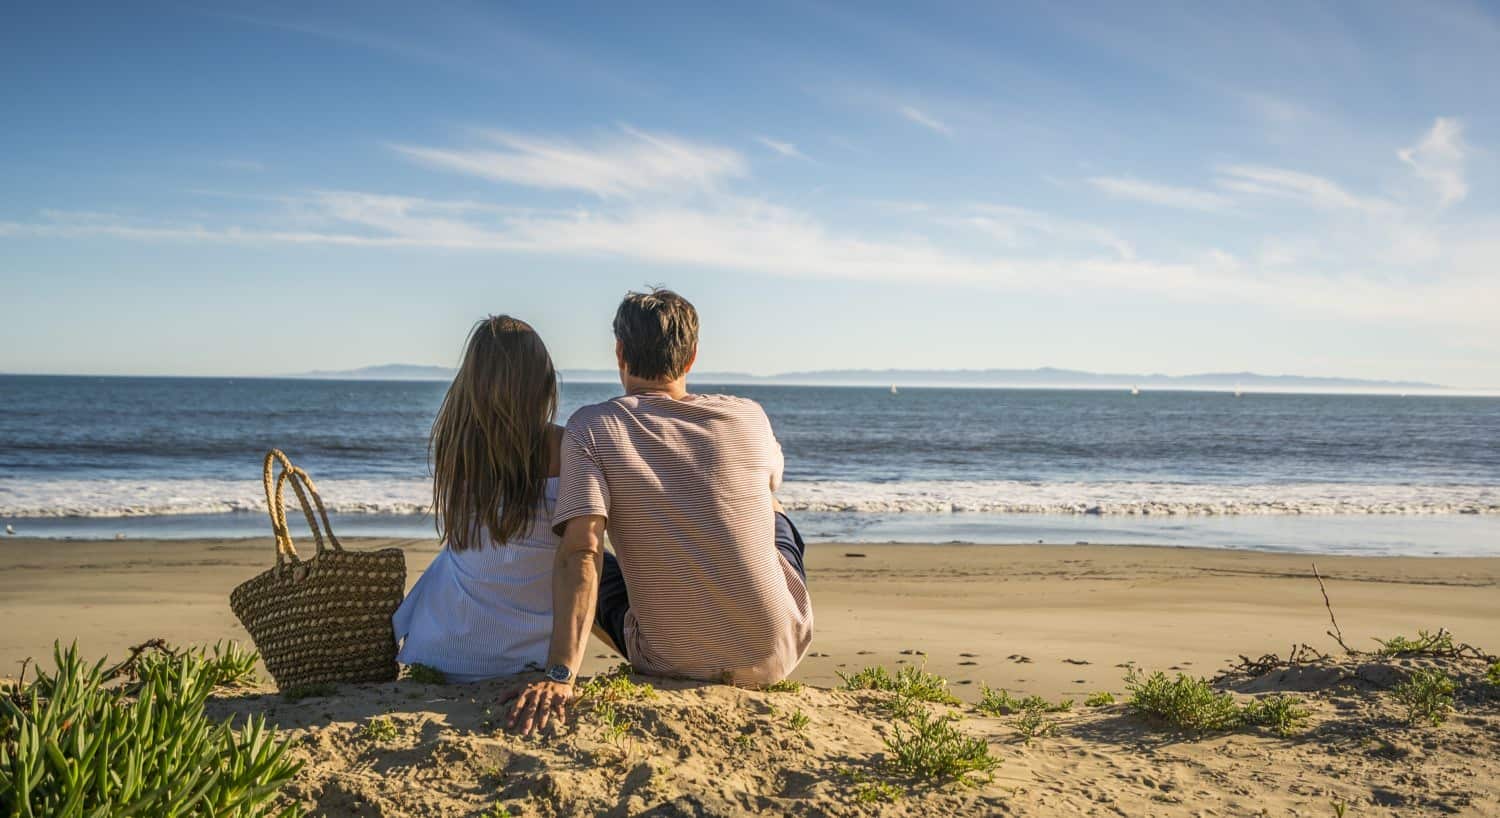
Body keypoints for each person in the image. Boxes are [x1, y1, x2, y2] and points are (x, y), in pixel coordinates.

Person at [508, 288, 814, 734]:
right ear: (691, 357)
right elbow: (765, 488)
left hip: (671, 660)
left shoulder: (592, 428)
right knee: (770, 506)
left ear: (620, 352)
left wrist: (560, 675)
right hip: (778, 649)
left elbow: (583, 553)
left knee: (570, 548)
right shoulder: (748, 416)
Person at [392, 315, 564, 682]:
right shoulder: (565, 447)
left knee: (454, 560)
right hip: (526, 658)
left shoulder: (457, 446)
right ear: (542, 381)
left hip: (442, 654)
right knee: (590, 558)